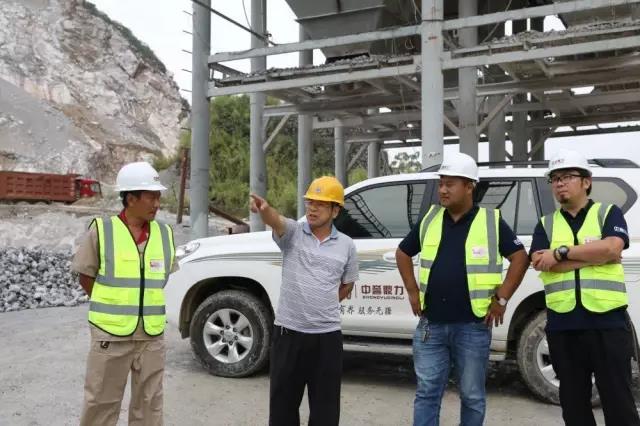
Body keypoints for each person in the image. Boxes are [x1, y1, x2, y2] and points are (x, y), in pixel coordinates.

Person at [395, 152, 529, 426]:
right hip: (431, 325)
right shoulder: (431, 219)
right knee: (427, 392)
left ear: (469, 187)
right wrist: (412, 291)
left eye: (450, 184)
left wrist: (502, 299)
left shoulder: (490, 221)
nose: (442, 190)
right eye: (441, 183)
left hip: (472, 326)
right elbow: (403, 252)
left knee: (472, 395)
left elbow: (520, 258)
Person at [530, 149, 639, 426]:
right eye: (555, 179)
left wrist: (561, 253)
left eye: (567, 176)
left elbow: (612, 248)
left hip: (607, 324)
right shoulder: (546, 224)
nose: (559, 183)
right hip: (563, 326)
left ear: (586, 181)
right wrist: (595, 256)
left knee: (619, 403)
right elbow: (541, 262)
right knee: (573, 406)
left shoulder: (608, 213)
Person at [72, 161, 176, 426]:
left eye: (158, 197)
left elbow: (161, 279)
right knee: (101, 405)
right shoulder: (102, 231)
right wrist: (114, 306)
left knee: (150, 406)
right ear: (131, 199)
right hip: (111, 334)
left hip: (151, 335)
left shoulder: (164, 234)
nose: (157, 203)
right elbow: (86, 276)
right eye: (151, 197)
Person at [250, 176, 359, 426]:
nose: (312, 209)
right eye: (310, 202)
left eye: (320, 204)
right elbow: (276, 221)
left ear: (335, 210)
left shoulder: (346, 245)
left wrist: (323, 302)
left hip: (327, 338)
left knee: (325, 411)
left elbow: (348, 284)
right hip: (289, 334)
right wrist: (265, 210)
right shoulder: (293, 233)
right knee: (283, 408)